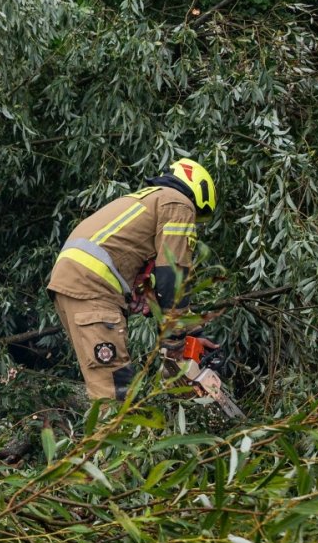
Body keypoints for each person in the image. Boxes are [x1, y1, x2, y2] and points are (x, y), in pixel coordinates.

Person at [46, 159, 219, 402]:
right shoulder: (178, 204)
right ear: (200, 195)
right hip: (93, 291)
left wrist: (192, 331)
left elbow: (154, 284)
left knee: (106, 385)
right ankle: (110, 438)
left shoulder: (146, 203)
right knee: (114, 395)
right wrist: (175, 338)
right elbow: (174, 276)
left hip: (74, 288)